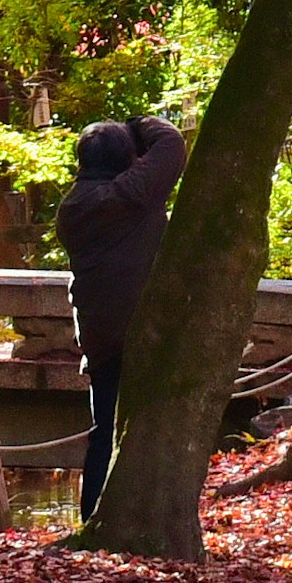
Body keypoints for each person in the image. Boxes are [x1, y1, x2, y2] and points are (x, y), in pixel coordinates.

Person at [59, 114, 185, 516]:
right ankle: (142, 513)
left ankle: (94, 513)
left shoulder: (73, 207)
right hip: (140, 332)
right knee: (149, 430)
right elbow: (171, 145)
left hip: (99, 334)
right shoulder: (129, 196)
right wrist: (138, 125)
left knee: (104, 432)